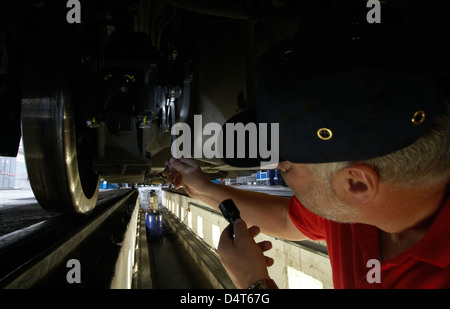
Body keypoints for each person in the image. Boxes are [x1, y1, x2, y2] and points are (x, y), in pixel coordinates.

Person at [163, 3, 450, 288]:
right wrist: (203, 188)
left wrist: (254, 284)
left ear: (357, 184)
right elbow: (287, 221)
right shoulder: (357, 206)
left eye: (286, 165)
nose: (277, 166)